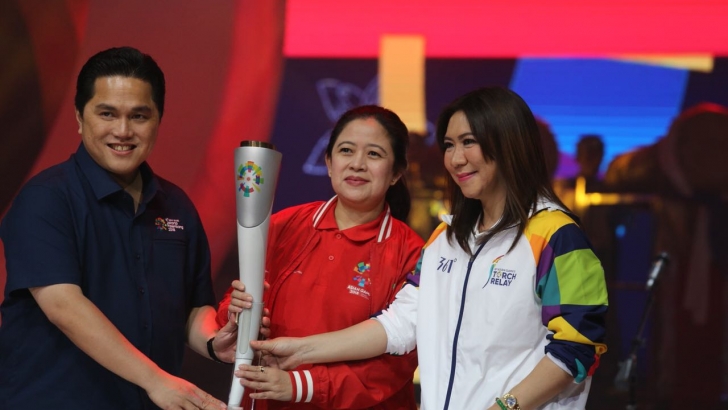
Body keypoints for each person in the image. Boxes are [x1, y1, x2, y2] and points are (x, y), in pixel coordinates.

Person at [236, 87, 608, 410]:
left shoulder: (558, 236)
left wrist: (503, 407)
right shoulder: (445, 240)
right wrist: (300, 350)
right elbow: (400, 324)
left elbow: (577, 348)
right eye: (449, 145)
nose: (456, 159)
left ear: (508, 143)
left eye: (469, 142)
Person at [0, 47, 236, 410]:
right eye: (107, 113)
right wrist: (155, 380)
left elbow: (190, 309)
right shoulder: (46, 198)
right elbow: (63, 305)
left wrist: (213, 342)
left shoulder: (176, 205)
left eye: (139, 116)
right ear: (80, 117)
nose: (123, 131)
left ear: (158, 120)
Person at [216, 105, 423, 409]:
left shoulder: (411, 252)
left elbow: (398, 362)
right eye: (346, 150)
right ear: (328, 162)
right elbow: (233, 307)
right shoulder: (283, 226)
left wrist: (303, 385)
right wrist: (235, 315)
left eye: (374, 154)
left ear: (396, 173)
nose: (357, 164)